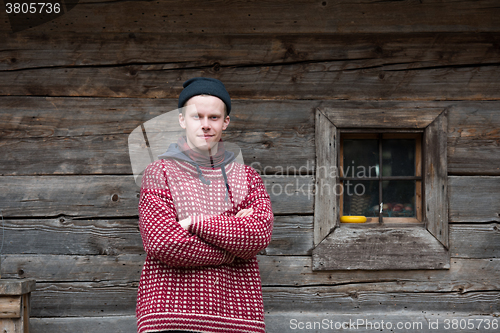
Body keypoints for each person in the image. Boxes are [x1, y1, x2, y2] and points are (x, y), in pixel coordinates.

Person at [136, 77, 274, 333]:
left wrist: (192, 224)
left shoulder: (247, 177)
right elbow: (163, 242)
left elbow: (258, 234)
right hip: (170, 316)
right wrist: (231, 248)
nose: (205, 125)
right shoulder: (160, 172)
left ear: (226, 122)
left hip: (236, 316)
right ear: (181, 120)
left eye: (213, 117)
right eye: (197, 116)